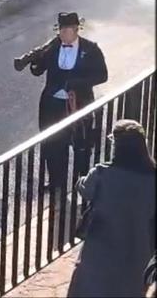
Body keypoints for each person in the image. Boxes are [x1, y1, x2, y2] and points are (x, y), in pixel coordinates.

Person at [67, 120, 156, 298]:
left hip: (100, 252)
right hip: (137, 251)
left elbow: (85, 189)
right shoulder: (152, 178)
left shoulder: (102, 174)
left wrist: (80, 181)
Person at [29, 12, 107, 190]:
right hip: (52, 105)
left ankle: (83, 182)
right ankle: (56, 180)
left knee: (81, 145)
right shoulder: (53, 47)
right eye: (60, 30)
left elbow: (102, 75)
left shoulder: (90, 49)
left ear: (75, 30)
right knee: (53, 144)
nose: (62, 34)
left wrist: (76, 84)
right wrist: (35, 61)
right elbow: (38, 70)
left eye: (65, 30)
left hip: (79, 104)